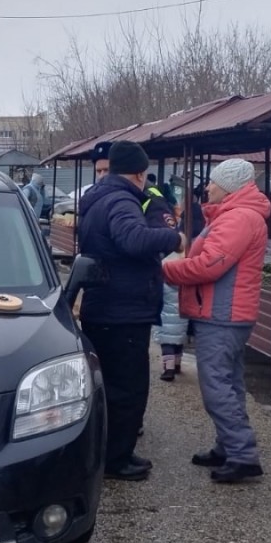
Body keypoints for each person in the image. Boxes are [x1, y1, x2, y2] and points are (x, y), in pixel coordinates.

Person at [77, 140, 182, 481]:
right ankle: (116, 460)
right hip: (122, 311)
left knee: (107, 386)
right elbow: (134, 239)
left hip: (104, 305)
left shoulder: (97, 198)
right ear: (139, 173)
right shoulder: (122, 200)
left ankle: (105, 451)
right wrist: (174, 239)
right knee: (127, 389)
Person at [163, 159, 271, 483]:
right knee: (229, 384)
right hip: (225, 312)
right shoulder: (237, 215)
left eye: (212, 182)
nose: (207, 187)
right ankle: (229, 446)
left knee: (215, 386)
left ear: (229, 186)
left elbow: (211, 265)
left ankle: (242, 453)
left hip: (222, 314)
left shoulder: (238, 218)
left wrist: (165, 270)